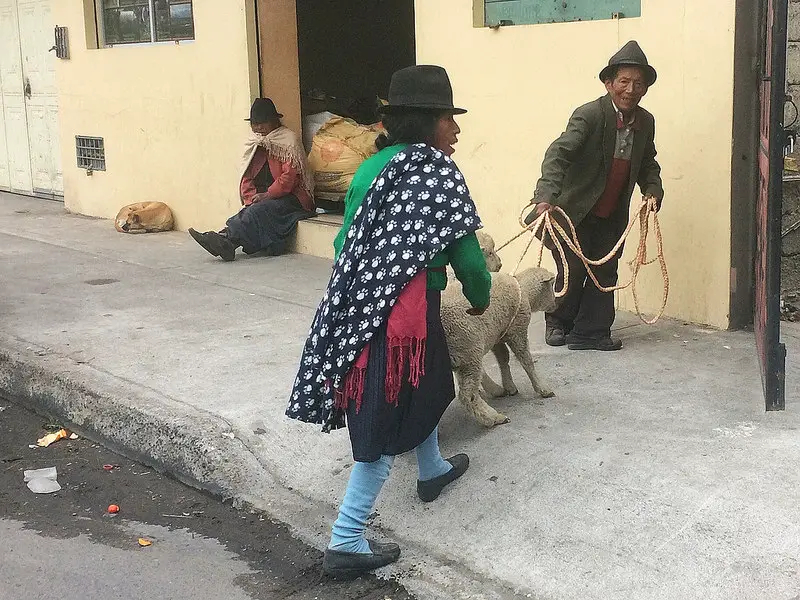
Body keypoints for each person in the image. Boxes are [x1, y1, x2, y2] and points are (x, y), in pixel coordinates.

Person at [286, 65, 492, 579]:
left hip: (358, 307)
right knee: (387, 412)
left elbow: (343, 243)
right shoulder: (436, 174)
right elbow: (467, 255)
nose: (457, 130)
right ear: (428, 122)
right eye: (450, 119)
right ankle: (346, 539)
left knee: (419, 393)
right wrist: (481, 294)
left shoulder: (371, 168)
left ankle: (432, 470)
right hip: (406, 323)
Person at [526, 41, 664, 351]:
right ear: (609, 83)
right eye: (624, 81)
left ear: (645, 89)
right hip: (575, 210)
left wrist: (653, 189)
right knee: (572, 269)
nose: (630, 89)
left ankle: (591, 331)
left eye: (638, 84)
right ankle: (558, 320)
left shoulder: (646, 122)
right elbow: (558, 153)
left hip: (611, 211)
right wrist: (545, 194)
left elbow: (647, 162)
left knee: (606, 270)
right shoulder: (589, 115)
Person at [188, 98, 314, 261]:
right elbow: (246, 175)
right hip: (266, 198)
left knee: (257, 211)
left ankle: (225, 240)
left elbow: (290, 178)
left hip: (292, 198)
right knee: (250, 211)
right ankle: (225, 240)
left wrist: (267, 195)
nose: (258, 128)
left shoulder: (288, 140)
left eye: (262, 123)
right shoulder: (255, 142)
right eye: (254, 123)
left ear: (274, 121)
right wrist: (250, 198)